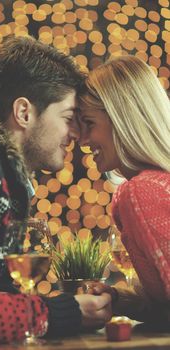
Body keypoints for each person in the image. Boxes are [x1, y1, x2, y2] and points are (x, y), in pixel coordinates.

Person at [0, 35, 112, 347]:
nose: (76, 134)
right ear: (24, 113)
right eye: (69, 119)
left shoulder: (0, 172)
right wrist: (57, 313)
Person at [78, 54, 170, 327]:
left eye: (90, 124)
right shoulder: (159, 183)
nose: (83, 140)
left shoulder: (140, 192)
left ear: (121, 118)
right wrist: (120, 299)